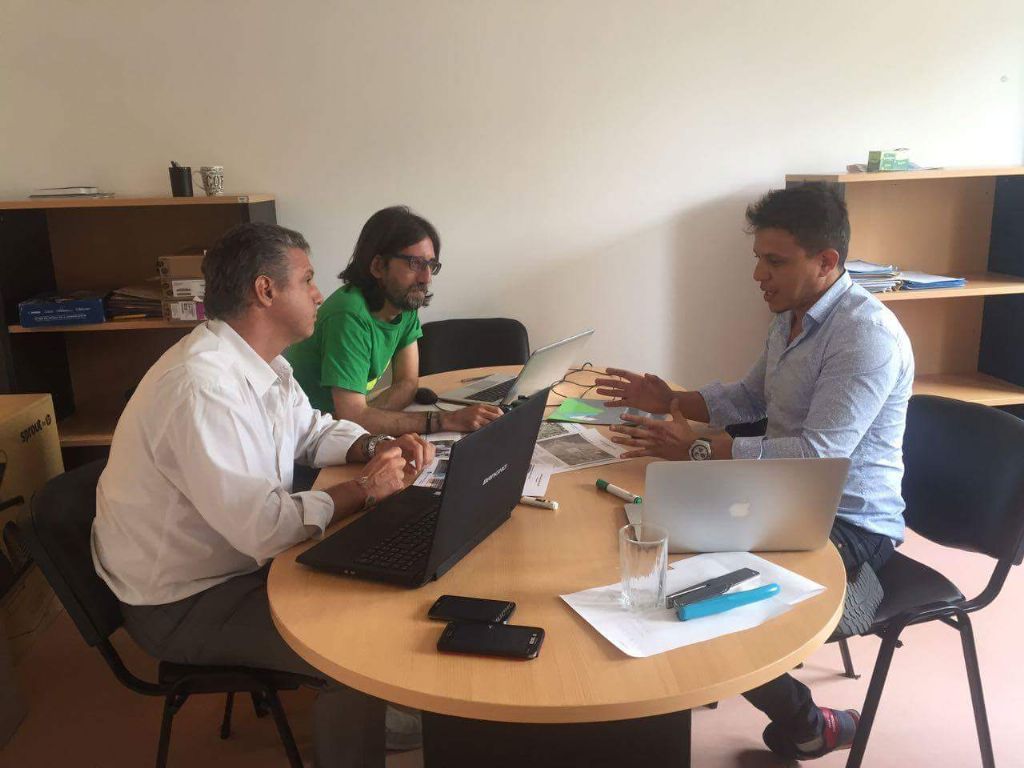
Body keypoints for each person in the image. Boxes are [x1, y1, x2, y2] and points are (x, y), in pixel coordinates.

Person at [91, 222, 435, 768]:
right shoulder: (202, 387)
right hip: (183, 600)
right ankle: (360, 707)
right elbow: (266, 529)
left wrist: (376, 445)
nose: (319, 293)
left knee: (378, 579)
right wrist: (365, 490)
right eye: (307, 279)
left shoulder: (260, 361)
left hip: (234, 559)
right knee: (353, 650)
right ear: (265, 290)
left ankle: (370, 708)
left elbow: (313, 431)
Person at [595, 183, 914, 760]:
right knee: (650, 541)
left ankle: (809, 723)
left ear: (826, 261)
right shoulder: (791, 314)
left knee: (704, 599)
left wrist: (699, 449)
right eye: (758, 259)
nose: (758, 275)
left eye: (775, 261)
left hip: (848, 519)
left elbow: (818, 456)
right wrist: (674, 399)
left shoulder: (865, 336)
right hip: (780, 493)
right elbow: (748, 397)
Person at [286, 206, 502, 436]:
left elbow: (407, 384)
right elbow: (351, 417)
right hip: (308, 442)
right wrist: (445, 420)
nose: (426, 278)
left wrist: (371, 417)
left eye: (431, 265)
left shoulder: (403, 302)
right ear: (378, 266)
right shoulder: (349, 316)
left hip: (343, 433)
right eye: (415, 263)